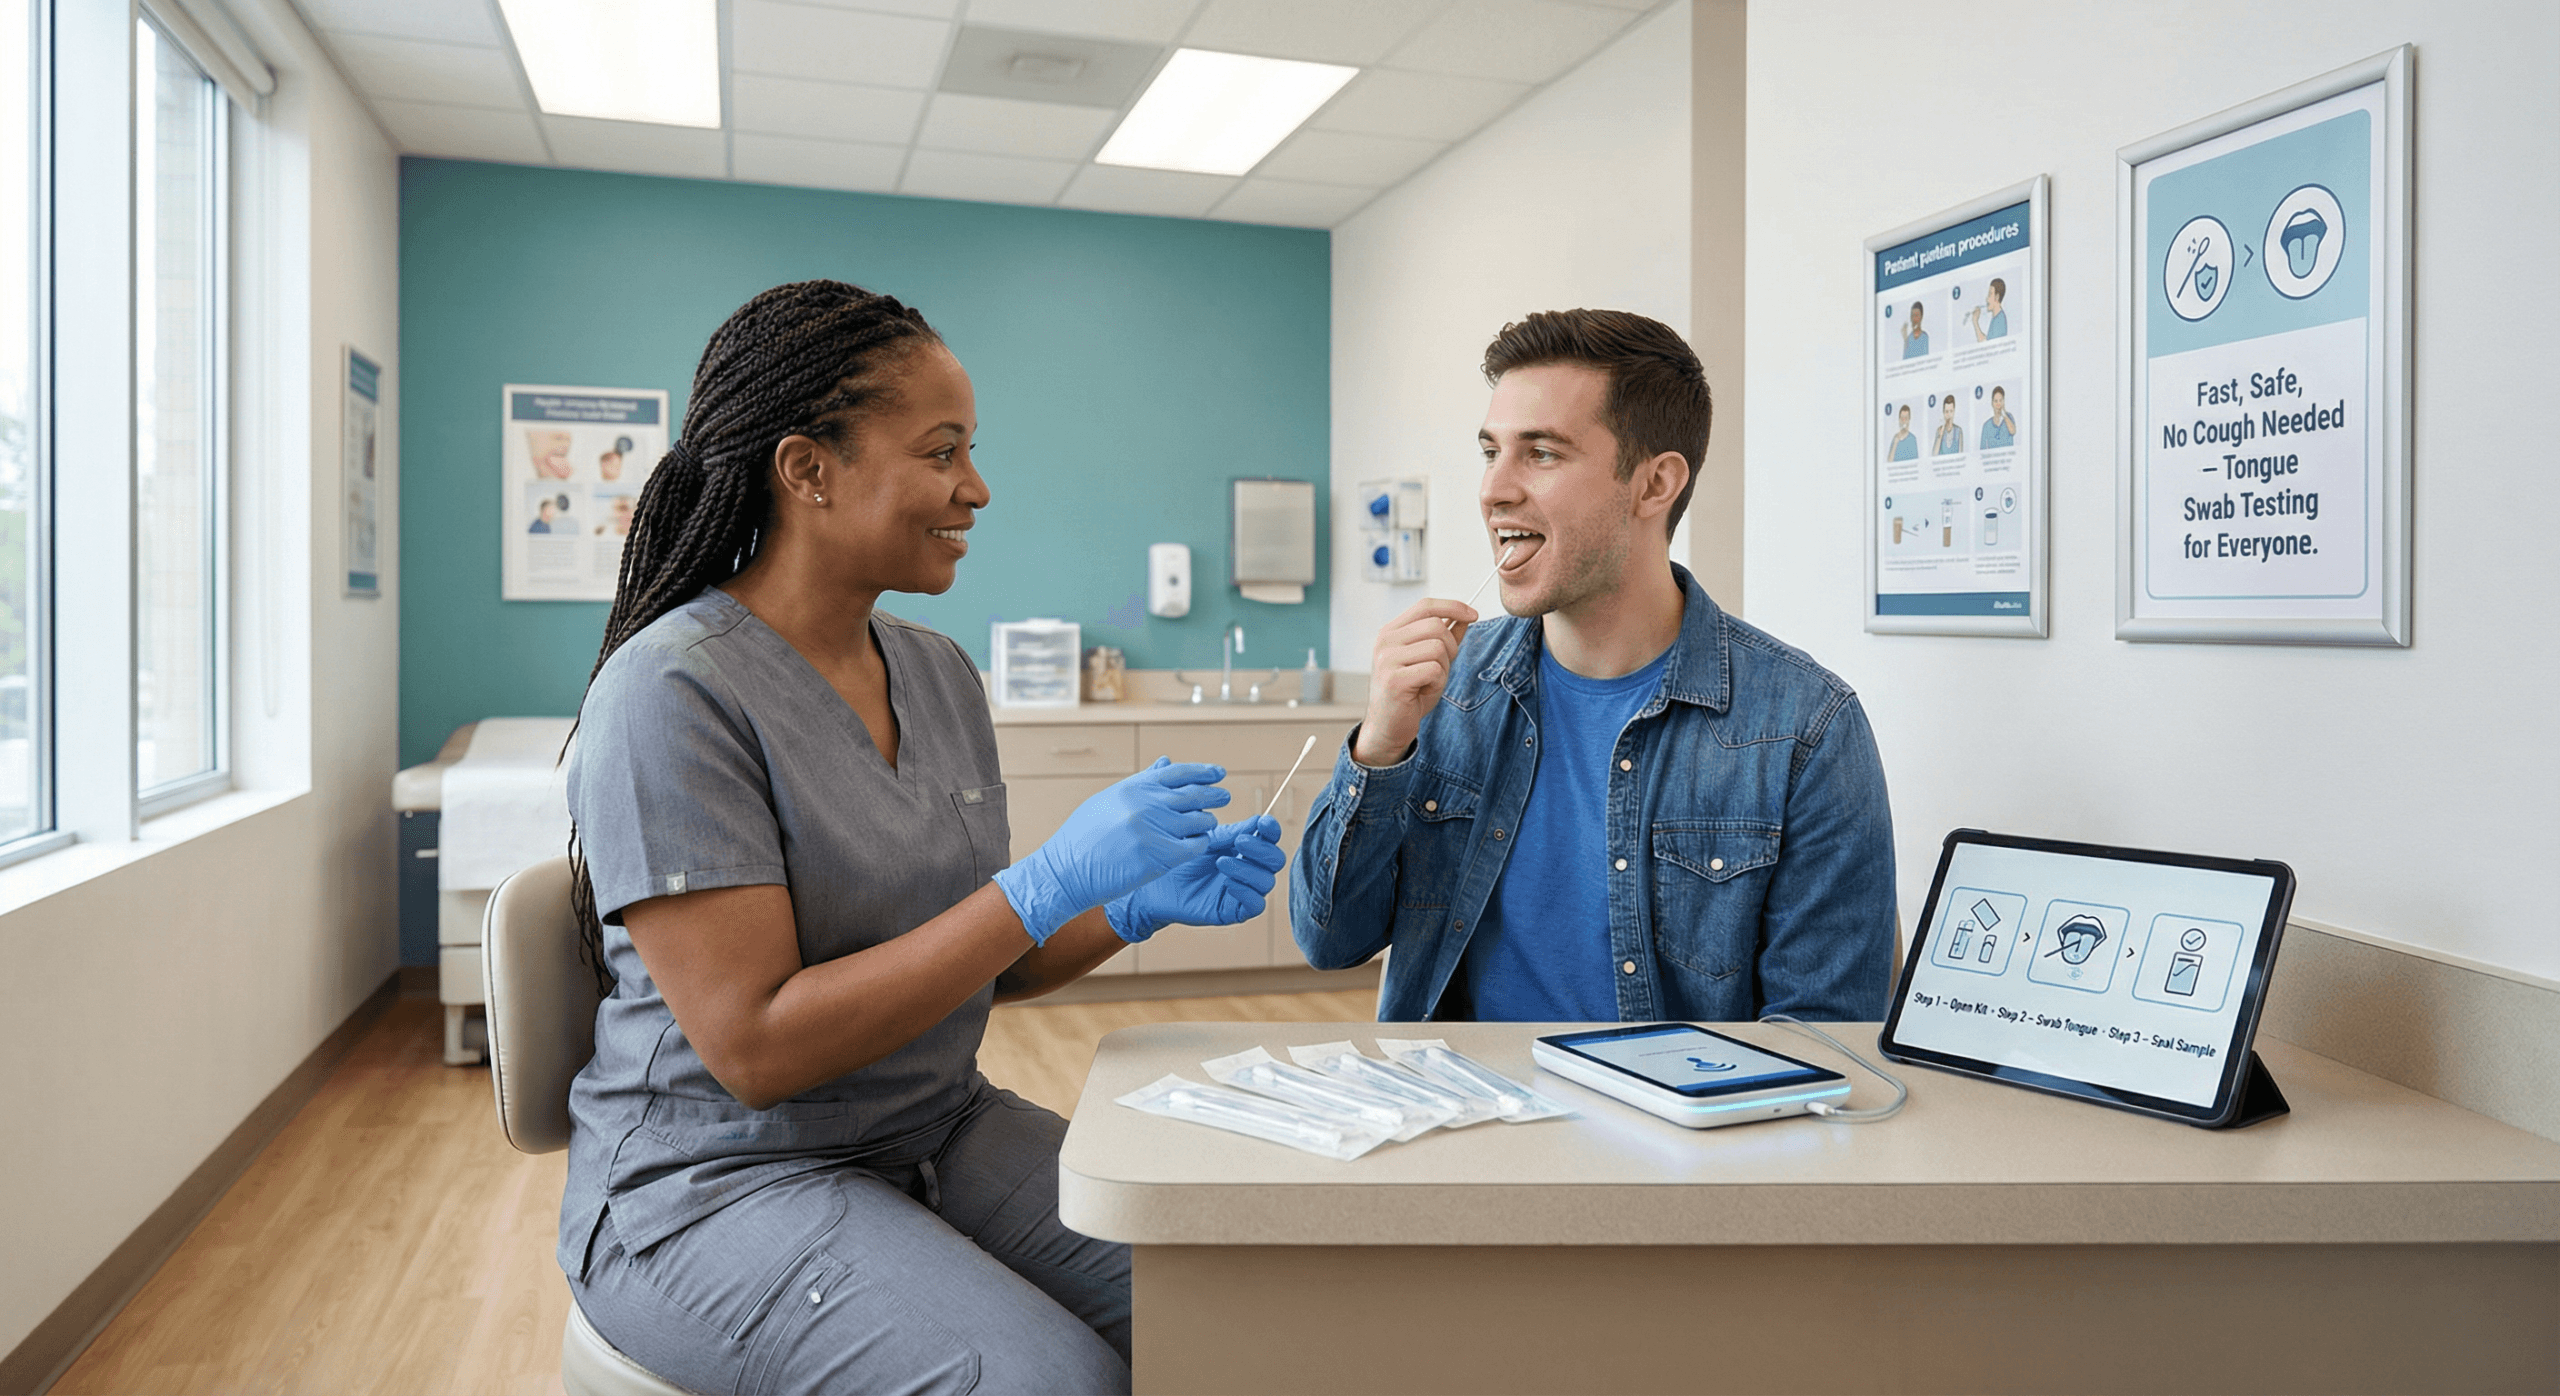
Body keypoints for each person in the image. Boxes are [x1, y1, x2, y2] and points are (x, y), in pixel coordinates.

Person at [560, 280, 1285, 1395]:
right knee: (1053, 1383)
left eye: (971, 449)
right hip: (715, 1181)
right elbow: (755, 1048)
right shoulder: (671, 690)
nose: (976, 487)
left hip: (931, 1126)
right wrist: (1039, 883)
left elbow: (984, 955)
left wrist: (1128, 905)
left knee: (1254, 1305)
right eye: (942, 451)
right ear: (809, 469)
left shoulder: (940, 674)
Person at [1290, 309, 1895, 1024]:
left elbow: (1823, 1035)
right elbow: (1329, 940)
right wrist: (1381, 747)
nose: (1494, 490)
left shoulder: (1807, 728)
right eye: (1492, 452)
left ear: (1653, 485)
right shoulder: (1445, 693)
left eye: (1541, 453)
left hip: (1675, 1133)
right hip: (1453, 1121)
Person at [1968, 277, 2009, 341]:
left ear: (1997, 297)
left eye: (1990, 294)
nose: (1987, 299)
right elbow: (1987, 339)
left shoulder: (2000, 320)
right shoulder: (1996, 318)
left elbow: (1985, 343)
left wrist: (1975, 321)